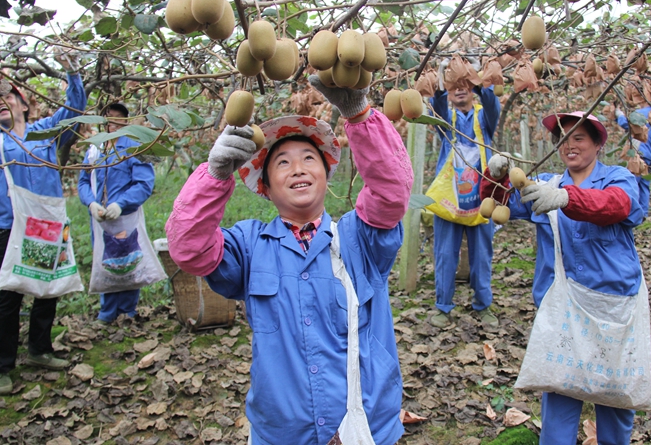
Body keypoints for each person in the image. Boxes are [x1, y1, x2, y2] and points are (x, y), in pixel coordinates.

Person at [165, 76, 412, 444]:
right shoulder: (249, 246)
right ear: (264, 186)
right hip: (283, 432)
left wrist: (359, 116)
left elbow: (391, 193)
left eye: (309, 158)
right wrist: (214, 175)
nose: (297, 169)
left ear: (327, 176)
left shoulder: (359, 238)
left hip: (366, 427)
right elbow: (189, 248)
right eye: (282, 163)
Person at [481, 111, 645, 444]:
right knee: (558, 408)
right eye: (563, 139)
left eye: (579, 138)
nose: (569, 146)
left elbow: (619, 205)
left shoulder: (618, 177)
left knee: (615, 410)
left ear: (598, 144)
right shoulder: (546, 186)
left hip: (613, 311)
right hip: (562, 312)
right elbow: (499, 204)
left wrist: (570, 199)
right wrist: (493, 176)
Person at [0, 53, 86, 395]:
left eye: (8, 96)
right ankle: (0, 366)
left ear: (24, 104)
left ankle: (39, 350)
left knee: (49, 288)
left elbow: (75, 109)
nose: (1, 102)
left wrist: (73, 70)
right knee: (11, 294)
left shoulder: (45, 133)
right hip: (11, 224)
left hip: (48, 223)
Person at [428, 72, 502, 328]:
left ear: (473, 90)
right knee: (445, 254)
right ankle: (443, 306)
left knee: (482, 254)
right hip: (450, 196)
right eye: (454, 87)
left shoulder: (484, 117)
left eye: (465, 86)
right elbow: (435, 103)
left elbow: (492, 103)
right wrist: (438, 77)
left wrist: (478, 78)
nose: (460, 90)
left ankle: (483, 304)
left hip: (481, 198)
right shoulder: (446, 120)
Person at [77, 102, 155, 326]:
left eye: (117, 117)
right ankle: (107, 312)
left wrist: (121, 204)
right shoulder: (94, 150)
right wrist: (91, 203)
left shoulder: (135, 148)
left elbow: (144, 183)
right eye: (107, 118)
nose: (112, 122)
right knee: (107, 262)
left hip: (125, 218)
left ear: (126, 121)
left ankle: (128, 311)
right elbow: (83, 181)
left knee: (129, 262)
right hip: (101, 220)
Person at [615, 102, 651, 217]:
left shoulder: (640, 114)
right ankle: (643, 214)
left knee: (632, 183)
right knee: (644, 185)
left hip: (640, 154)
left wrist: (619, 114)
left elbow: (626, 124)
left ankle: (629, 214)